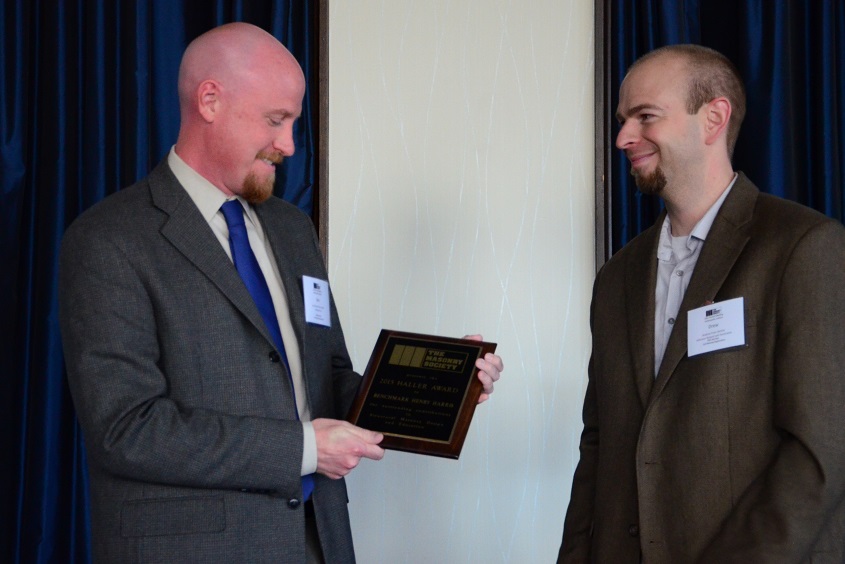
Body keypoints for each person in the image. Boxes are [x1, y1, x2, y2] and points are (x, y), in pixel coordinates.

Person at [59, 22, 503, 563]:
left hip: (318, 544)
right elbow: (127, 428)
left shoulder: (292, 229)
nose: (288, 145)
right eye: (276, 120)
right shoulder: (109, 238)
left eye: (294, 122)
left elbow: (329, 379)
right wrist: (307, 449)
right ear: (210, 100)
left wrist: (441, 389)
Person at [559, 44, 845, 562]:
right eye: (623, 120)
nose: (623, 137)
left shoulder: (804, 247)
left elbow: (820, 450)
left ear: (713, 117)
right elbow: (598, 448)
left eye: (645, 116)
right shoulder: (616, 278)